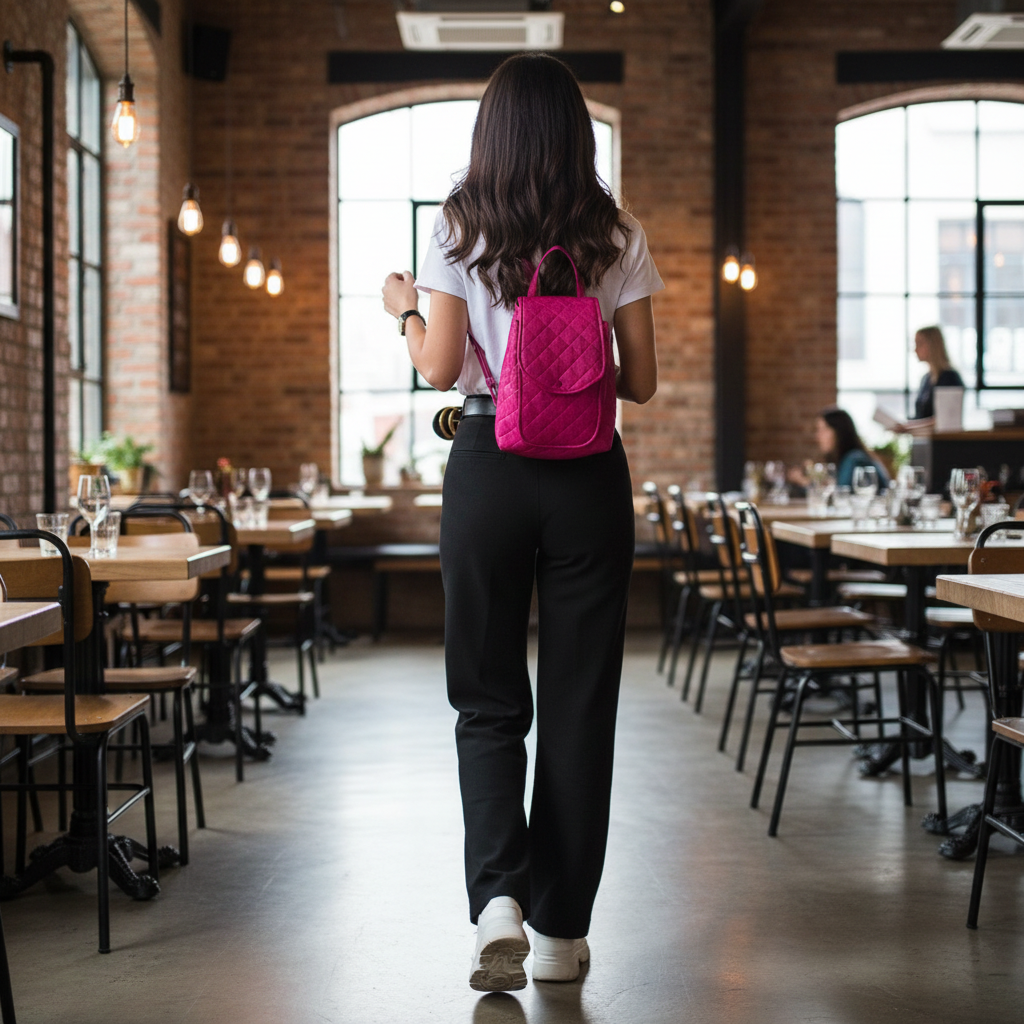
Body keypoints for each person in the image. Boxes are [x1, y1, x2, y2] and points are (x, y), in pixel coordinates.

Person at [381, 53, 662, 992]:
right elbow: (647, 383)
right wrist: (572, 363)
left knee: (488, 697)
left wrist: (404, 312)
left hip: (487, 470)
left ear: (490, 133)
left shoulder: (459, 226)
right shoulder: (615, 232)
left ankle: (496, 900)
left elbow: (438, 366)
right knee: (582, 703)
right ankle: (559, 933)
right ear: (579, 132)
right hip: (587, 474)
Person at [790, 407, 889, 490]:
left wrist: (804, 482)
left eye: (823, 429)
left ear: (838, 432)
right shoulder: (850, 457)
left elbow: (840, 494)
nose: (817, 436)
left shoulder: (854, 458)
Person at [910, 325, 964, 423]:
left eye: (919, 344)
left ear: (933, 345)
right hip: (921, 437)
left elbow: (945, 420)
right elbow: (920, 416)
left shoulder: (950, 378)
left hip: (940, 438)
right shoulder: (926, 378)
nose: (915, 350)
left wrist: (909, 427)